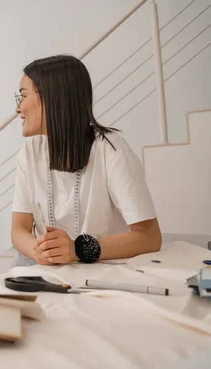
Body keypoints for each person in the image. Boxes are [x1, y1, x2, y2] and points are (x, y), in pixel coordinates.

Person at [11, 55, 161, 267]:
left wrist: (76, 250)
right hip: (37, 264)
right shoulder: (29, 151)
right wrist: (39, 252)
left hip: (96, 267)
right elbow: (18, 230)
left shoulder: (111, 150)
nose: (18, 108)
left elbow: (149, 237)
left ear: (51, 98)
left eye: (23, 96)